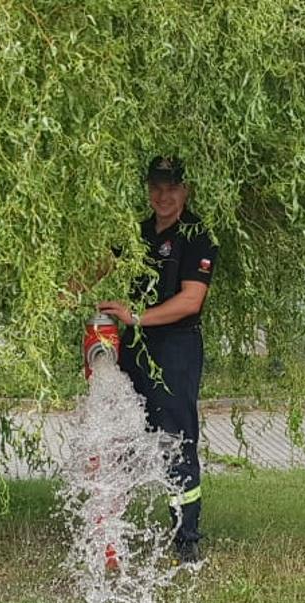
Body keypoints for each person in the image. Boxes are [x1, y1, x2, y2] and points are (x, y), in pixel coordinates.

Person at [94, 156, 218, 562]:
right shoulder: (139, 231)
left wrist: (138, 318)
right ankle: (113, 529)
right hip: (137, 345)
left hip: (177, 346)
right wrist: (56, 290)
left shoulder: (198, 234)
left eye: (173, 187)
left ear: (186, 191)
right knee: (125, 430)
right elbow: (99, 267)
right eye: (157, 186)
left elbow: (191, 299)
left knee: (177, 437)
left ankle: (187, 535)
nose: (163, 196)